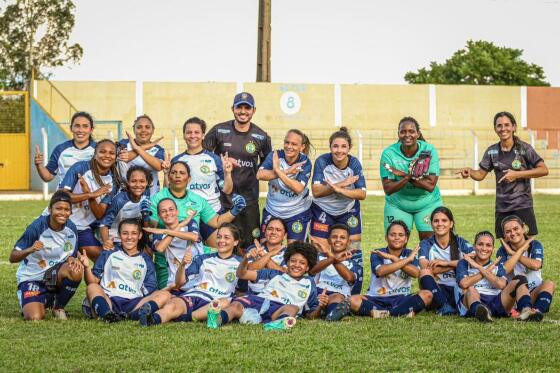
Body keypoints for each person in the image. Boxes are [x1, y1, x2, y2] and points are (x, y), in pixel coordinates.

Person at [147, 161, 246, 288]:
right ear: (168, 176)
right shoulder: (158, 198)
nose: (177, 176)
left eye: (182, 173)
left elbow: (216, 221)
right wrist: (146, 216)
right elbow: (152, 227)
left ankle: (240, 289)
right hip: (167, 260)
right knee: (170, 292)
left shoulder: (197, 200)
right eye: (174, 172)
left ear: (189, 179)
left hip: (193, 256)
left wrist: (234, 210)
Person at [458, 111, 548, 238]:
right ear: (495, 129)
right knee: (505, 250)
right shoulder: (492, 151)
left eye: (507, 125)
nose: (503, 128)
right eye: (499, 126)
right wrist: (470, 172)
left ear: (514, 127)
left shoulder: (524, 148)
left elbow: (543, 170)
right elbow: (480, 174)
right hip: (502, 208)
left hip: (522, 205)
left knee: (527, 247)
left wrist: (517, 174)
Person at [205, 241, 328, 331]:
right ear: (287, 262)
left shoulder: (309, 283)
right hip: (260, 301)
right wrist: (246, 260)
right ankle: (216, 320)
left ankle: (277, 325)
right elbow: (241, 274)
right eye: (293, 261)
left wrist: (320, 307)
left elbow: (311, 315)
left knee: (293, 308)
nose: (296, 265)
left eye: (302, 263)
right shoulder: (274, 274)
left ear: (307, 267)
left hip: (279, 310)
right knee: (236, 305)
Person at [137, 223, 243, 326]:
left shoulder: (241, 264)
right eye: (219, 237)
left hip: (216, 300)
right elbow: (180, 282)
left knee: (221, 303)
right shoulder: (204, 258)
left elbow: (243, 290)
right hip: (195, 294)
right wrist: (182, 265)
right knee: (172, 305)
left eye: (226, 238)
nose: (221, 241)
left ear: (235, 242)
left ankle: (187, 318)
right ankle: (151, 320)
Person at [204, 92, 272, 248]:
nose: (243, 111)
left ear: (254, 110)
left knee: (250, 245)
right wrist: (223, 164)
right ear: (232, 109)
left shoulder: (261, 137)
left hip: (249, 202)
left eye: (247, 108)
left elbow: (266, 166)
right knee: (223, 244)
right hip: (223, 202)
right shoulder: (219, 131)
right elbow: (202, 157)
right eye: (239, 107)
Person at [10, 191, 83, 320]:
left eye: (67, 209)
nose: (62, 212)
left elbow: (71, 253)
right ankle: (41, 298)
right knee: (35, 317)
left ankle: (58, 307)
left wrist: (74, 258)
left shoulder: (71, 228)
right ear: (50, 209)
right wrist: (30, 249)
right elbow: (13, 257)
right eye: (58, 208)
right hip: (32, 277)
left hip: (53, 274)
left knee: (75, 269)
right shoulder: (36, 227)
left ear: (71, 212)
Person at [80, 218, 171, 322]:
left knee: (165, 295)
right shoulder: (109, 253)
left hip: (133, 302)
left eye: (134, 233)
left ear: (140, 235)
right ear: (119, 235)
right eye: (125, 233)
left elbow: (150, 289)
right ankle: (107, 314)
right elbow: (92, 281)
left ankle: (131, 316)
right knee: (92, 287)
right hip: (109, 299)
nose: (129, 237)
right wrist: (87, 267)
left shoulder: (146, 260)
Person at [311, 127, 366, 294]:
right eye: (335, 146)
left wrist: (339, 190)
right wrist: (341, 184)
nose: (339, 150)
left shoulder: (354, 163)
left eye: (343, 146)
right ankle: (317, 290)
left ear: (349, 148)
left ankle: (352, 292)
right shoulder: (322, 161)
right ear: (330, 147)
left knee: (353, 247)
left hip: (348, 210)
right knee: (321, 248)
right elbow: (316, 192)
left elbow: (362, 193)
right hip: (323, 210)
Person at [349, 221, 432, 318]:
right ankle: (401, 312)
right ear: (386, 237)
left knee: (427, 295)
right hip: (377, 298)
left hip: (402, 298)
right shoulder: (377, 253)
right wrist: (407, 260)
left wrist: (393, 258)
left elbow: (416, 273)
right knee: (352, 300)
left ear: (406, 239)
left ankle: (383, 313)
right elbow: (380, 271)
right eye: (393, 235)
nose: (397, 238)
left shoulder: (410, 253)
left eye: (401, 235)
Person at [171, 117, 233, 247]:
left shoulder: (214, 159)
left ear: (203, 135)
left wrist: (227, 174)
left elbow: (227, 190)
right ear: (184, 135)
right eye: (189, 132)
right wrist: (166, 173)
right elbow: (170, 191)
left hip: (211, 214)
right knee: (188, 257)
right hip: (186, 216)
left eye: (196, 132)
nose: (193, 136)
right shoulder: (177, 160)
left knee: (217, 255)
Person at [380, 117, 443, 240]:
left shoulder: (429, 151)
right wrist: (409, 176)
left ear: (418, 134)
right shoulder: (389, 153)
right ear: (398, 134)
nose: (407, 135)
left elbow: (430, 185)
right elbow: (388, 188)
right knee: (396, 242)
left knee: (430, 245)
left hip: (427, 203)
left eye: (411, 131)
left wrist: (404, 175)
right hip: (398, 205)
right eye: (403, 131)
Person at [59, 139, 122, 261]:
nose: (107, 156)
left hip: (83, 227)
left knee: (103, 258)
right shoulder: (80, 167)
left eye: (111, 153)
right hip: (63, 222)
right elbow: (63, 197)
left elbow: (99, 214)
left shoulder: (113, 181)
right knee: (65, 266)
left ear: (115, 157)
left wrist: (89, 194)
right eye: (102, 152)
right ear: (95, 154)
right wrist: (91, 194)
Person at [455, 231, 535, 322]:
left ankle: (526, 311)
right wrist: (487, 270)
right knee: (471, 289)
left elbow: (502, 285)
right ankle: (481, 312)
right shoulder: (464, 263)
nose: (484, 248)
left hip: (496, 302)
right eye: (480, 244)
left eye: (488, 245)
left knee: (520, 278)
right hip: (473, 301)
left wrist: (479, 267)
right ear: (474, 246)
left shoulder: (497, 265)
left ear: (493, 249)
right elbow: (464, 283)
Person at [257, 129, 313, 242]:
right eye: (287, 142)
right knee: (265, 247)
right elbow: (259, 175)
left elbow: (298, 188)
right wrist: (285, 171)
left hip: (297, 211)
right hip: (272, 210)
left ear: (302, 147)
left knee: (296, 251)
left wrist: (277, 171)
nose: (289, 146)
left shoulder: (305, 162)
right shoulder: (275, 156)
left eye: (294, 144)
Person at [497, 216, 555, 321]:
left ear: (523, 229)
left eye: (516, 229)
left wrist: (514, 254)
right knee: (520, 278)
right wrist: (516, 252)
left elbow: (536, 265)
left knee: (549, 284)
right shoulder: (502, 250)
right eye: (508, 231)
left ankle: (536, 312)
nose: (513, 233)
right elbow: (504, 271)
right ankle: (525, 310)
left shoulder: (534, 245)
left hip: (533, 293)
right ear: (504, 235)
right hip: (514, 299)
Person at [418, 207, 473, 315]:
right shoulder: (426, 244)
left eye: (444, 220)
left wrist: (446, 263)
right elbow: (426, 268)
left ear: (451, 224)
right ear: (431, 224)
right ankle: (443, 306)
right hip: (437, 290)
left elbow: (474, 260)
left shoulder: (460, 242)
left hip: (459, 288)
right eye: (436, 221)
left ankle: (457, 305)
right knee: (423, 273)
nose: (439, 224)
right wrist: (458, 264)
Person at [143, 198, 203, 293]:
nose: (168, 213)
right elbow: (160, 248)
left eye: (171, 209)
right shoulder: (159, 233)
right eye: (163, 211)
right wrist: (177, 227)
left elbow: (195, 237)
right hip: (176, 283)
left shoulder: (189, 223)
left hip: (198, 280)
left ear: (177, 211)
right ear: (159, 215)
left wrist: (166, 231)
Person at [309, 224, 361, 321]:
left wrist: (332, 258)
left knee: (337, 298)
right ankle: (324, 311)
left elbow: (350, 278)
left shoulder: (353, 262)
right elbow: (312, 271)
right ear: (328, 240)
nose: (338, 240)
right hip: (318, 291)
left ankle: (332, 315)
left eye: (342, 237)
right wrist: (332, 258)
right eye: (334, 237)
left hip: (338, 293)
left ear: (348, 242)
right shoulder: (320, 258)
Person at [34, 111, 96, 187]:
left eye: (85, 126)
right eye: (77, 126)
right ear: (71, 128)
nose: (80, 130)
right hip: (65, 197)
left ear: (91, 129)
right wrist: (39, 165)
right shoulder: (60, 149)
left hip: (92, 197)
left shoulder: (98, 150)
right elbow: (48, 177)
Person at [99, 165, 152, 249]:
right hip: (116, 239)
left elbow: (146, 227)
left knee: (148, 253)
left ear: (147, 183)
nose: (138, 185)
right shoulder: (119, 200)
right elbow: (103, 225)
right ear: (128, 182)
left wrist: (146, 216)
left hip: (134, 238)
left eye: (142, 181)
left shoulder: (146, 194)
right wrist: (107, 243)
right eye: (133, 181)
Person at [117, 115, 166, 196]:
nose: (143, 130)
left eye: (147, 127)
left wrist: (138, 149)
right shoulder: (124, 143)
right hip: (125, 196)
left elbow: (158, 166)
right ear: (134, 129)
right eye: (139, 127)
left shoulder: (158, 149)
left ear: (153, 130)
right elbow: (124, 158)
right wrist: (145, 147)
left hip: (151, 196)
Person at [245, 218, 288, 294]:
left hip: (277, 296)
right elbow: (250, 269)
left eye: (278, 230)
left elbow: (284, 273)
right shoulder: (253, 248)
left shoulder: (289, 253)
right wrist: (269, 255)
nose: (273, 232)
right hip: (253, 294)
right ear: (265, 233)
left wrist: (263, 256)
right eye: (270, 229)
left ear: (284, 235)